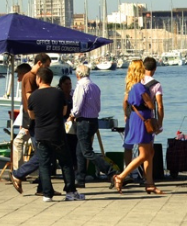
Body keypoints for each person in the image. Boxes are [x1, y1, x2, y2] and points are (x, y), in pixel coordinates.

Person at [25, 67, 83, 202]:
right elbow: (64, 112)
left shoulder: (33, 95)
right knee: (66, 162)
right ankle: (70, 191)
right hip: (57, 133)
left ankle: (46, 194)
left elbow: (31, 115)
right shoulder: (58, 94)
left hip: (40, 133)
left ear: (39, 79)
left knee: (44, 164)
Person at [113, 60, 163, 195]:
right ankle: (121, 176)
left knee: (149, 152)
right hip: (142, 119)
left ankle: (149, 183)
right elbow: (151, 104)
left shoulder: (131, 86)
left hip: (136, 118)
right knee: (145, 153)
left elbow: (126, 102)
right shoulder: (140, 87)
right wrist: (151, 105)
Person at [68, 65, 114, 188]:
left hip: (83, 121)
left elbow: (77, 107)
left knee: (87, 151)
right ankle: (80, 178)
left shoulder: (80, 86)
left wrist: (72, 115)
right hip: (94, 120)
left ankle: (111, 171)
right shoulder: (95, 86)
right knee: (80, 150)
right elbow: (98, 106)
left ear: (78, 74)